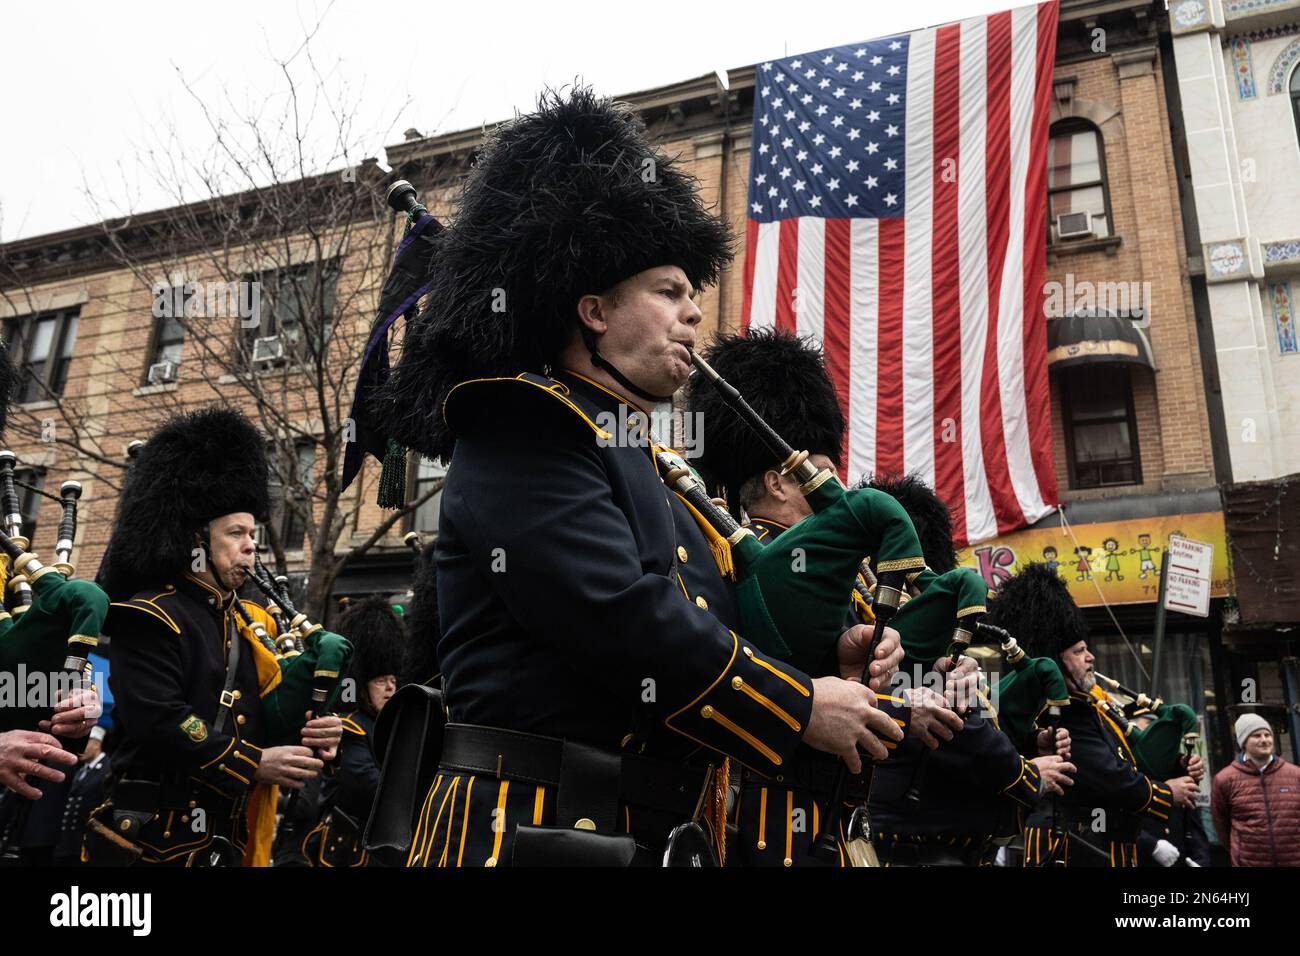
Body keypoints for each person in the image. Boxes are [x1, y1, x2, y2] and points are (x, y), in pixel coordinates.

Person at [376, 88, 903, 867]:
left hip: (640, 834)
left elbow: (715, 629)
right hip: (523, 831)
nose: (694, 314)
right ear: (593, 308)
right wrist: (795, 706)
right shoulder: (524, 423)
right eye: (670, 292)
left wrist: (828, 660)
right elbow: (617, 613)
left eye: (694, 296)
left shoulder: (656, 465)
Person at [86, 407, 341, 866]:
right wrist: (252, 763)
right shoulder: (149, 614)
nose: (251, 545)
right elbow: (163, 719)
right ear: (197, 540)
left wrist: (311, 730)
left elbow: (254, 717)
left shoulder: (240, 623)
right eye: (237, 533)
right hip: (154, 839)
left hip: (224, 839)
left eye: (253, 534)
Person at [1000, 565, 1190, 866]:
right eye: (1079, 651)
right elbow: (1108, 775)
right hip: (1071, 845)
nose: (1090, 657)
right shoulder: (1064, 711)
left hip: (1101, 843)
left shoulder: (1088, 706)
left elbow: (1129, 757)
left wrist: (1177, 764)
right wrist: (1165, 794)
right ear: (1056, 660)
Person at [304, 596, 404, 866]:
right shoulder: (348, 726)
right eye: (381, 681)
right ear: (363, 686)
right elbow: (366, 784)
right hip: (352, 851)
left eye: (393, 681)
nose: (390, 688)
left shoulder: (388, 724)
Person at [1211, 714, 1300, 866]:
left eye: (1267, 735)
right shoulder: (1224, 779)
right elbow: (1222, 826)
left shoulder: (1295, 775)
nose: (1264, 740)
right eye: (1257, 736)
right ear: (1243, 743)